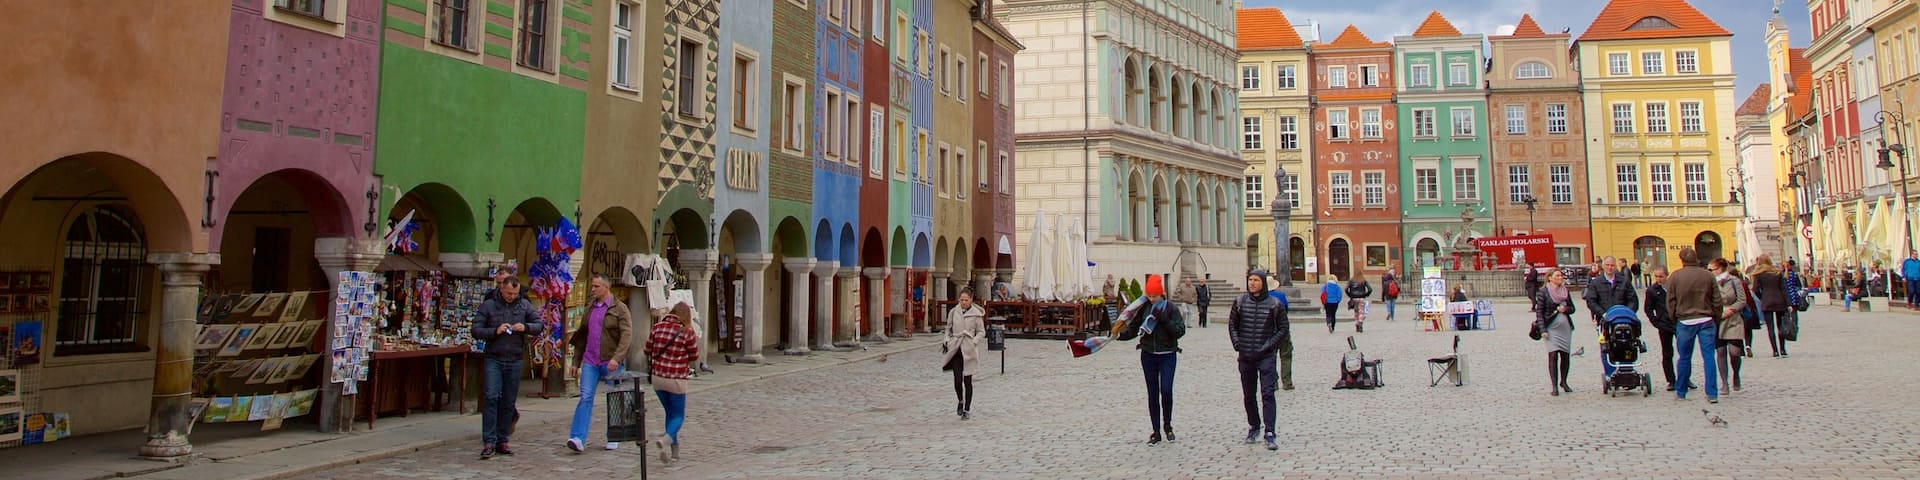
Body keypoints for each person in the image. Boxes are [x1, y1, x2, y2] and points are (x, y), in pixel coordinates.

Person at [471, 277, 543, 459]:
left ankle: (502, 439)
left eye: (515, 293)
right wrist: (495, 330)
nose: (512, 296)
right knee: (491, 397)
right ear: (502, 289)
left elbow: (539, 325)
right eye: (509, 293)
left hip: (515, 358)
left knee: (509, 401)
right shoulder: (489, 306)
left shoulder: (524, 305)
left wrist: (524, 327)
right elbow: (476, 330)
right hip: (494, 357)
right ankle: (489, 440)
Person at [565, 276, 633, 453]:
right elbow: (582, 336)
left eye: (596, 286)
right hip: (590, 360)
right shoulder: (590, 307)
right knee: (585, 397)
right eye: (592, 286)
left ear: (606, 287)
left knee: (614, 399)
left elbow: (626, 337)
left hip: (610, 361)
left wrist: (616, 358)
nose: (592, 289)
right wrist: (576, 360)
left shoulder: (620, 309)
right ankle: (577, 437)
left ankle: (614, 436)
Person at [1114, 274, 1184, 445]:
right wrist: (1118, 336)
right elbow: (1134, 329)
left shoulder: (1170, 308)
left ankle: (1168, 425)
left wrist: (1164, 320)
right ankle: (1155, 431)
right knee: (1152, 393)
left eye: (1155, 296)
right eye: (1150, 296)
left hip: (1167, 354)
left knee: (1166, 390)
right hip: (1148, 354)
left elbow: (1179, 331)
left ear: (1161, 294)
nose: (1152, 299)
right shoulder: (1144, 308)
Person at [1228, 269, 1290, 451]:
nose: (1252, 283)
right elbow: (1232, 324)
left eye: (1256, 280)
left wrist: (1270, 345)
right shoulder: (1240, 302)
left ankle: (1270, 431)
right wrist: (1237, 343)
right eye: (1250, 280)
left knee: (1268, 394)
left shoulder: (1274, 304)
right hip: (1245, 356)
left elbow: (1283, 328)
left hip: (1266, 356)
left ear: (1263, 282)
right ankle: (1254, 425)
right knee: (1249, 395)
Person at [645, 301, 700, 464]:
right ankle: (667, 439)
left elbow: (647, 350)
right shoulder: (687, 332)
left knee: (669, 413)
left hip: (658, 378)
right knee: (678, 416)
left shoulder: (657, 327)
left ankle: (674, 451)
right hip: (676, 379)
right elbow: (695, 355)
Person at [1668, 248, 1722, 403]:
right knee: (1709, 357)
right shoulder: (1708, 275)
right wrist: (1716, 317)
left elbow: (1670, 301)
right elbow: (1717, 300)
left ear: (1681, 259)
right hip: (1706, 319)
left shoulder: (1675, 277)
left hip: (1685, 321)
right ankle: (1712, 393)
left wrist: (1674, 318)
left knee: (1684, 358)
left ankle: (1681, 391)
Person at [1583, 256, 1637, 376]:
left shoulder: (1624, 281)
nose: (1609, 268)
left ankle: (1627, 372)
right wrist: (1602, 313)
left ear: (1615, 266)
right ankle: (1610, 375)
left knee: (1627, 345)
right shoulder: (1596, 282)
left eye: (1612, 265)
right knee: (1606, 348)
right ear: (1603, 266)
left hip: (1623, 320)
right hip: (1604, 321)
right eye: (1607, 265)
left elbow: (1633, 299)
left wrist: (1627, 312)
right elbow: (1591, 301)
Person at [941, 289, 986, 420]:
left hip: (968, 349)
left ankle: (967, 408)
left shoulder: (976, 315)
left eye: (966, 300)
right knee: (957, 380)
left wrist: (974, 341)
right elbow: (948, 328)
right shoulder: (954, 311)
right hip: (956, 348)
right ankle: (960, 400)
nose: (963, 302)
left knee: (968, 381)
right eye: (961, 300)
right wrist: (946, 339)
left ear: (971, 300)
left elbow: (981, 332)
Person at [1709, 258, 1749, 394]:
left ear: (1720, 268)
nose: (1710, 272)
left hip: (1733, 320)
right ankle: (1724, 383)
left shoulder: (1734, 281)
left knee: (1734, 352)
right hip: (1717, 320)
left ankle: (1736, 375)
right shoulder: (1710, 282)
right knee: (1720, 352)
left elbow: (1742, 300)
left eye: (1712, 269)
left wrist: (1731, 310)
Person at [1533, 269, 1576, 395]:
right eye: (1557, 275)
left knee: (1565, 355)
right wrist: (1543, 330)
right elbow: (1539, 312)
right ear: (1550, 278)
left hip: (1565, 328)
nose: (1560, 277)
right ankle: (1554, 386)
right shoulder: (1543, 292)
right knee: (1553, 355)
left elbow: (1572, 308)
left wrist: (1566, 309)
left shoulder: (1565, 291)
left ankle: (1564, 381)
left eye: (1561, 275)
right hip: (1550, 327)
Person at [1644, 267, 1679, 391]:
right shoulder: (1652, 290)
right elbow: (1648, 308)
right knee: (1667, 353)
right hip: (1664, 324)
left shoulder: (1675, 287)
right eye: (1656, 276)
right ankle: (1671, 380)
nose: (1659, 279)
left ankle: (1685, 378)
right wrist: (1655, 322)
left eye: (1661, 276)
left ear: (1667, 275)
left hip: (1678, 322)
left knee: (1684, 352)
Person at [1748, 256, 1791, 358]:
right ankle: (1783, 349)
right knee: (1780, 326)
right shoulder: (1777, 273)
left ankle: (1775, 350)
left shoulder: (1759, 274)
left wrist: (1762, 297)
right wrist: (1788, 303)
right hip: (1780, 301)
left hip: (1767, 302)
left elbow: (1755, 289)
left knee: (1770, 328)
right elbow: (1784, 289)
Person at [1266, 286, 1295, 391]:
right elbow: (1285, 310)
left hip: (1269, 332)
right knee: (1286, 356)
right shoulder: (1281, 295)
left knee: (1270, 358)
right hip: (1283, 330)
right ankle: (1287, 382)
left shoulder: (1263, 298)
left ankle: (1274, 383)